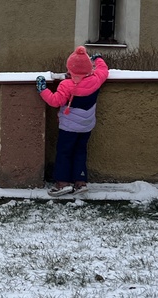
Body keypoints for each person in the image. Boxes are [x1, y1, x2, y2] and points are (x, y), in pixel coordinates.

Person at [36, 46, 110, 196]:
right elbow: (103, 70)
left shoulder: (67, 85)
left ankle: (62, 183)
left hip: (69, 127)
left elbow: (55, 101)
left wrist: (43, 90)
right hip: (86, 126)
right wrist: (98, 59)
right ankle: (80, 181)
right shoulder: (96, 79)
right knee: (80, 151)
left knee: (64, 152)